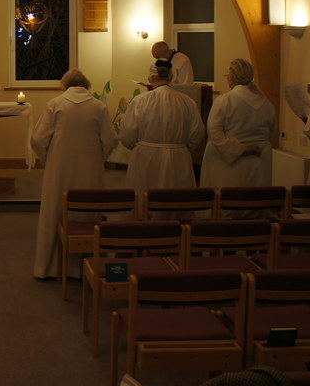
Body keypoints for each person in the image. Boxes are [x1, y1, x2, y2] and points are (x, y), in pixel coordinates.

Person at [30, 68, 117, 278]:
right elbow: (111, 140)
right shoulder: (99, 106)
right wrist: (99, 158)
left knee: (56, 210)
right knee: (89, 210)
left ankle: (49, 268)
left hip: (59, 167)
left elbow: (37, 140)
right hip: (90, 166)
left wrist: (47, 158)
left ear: (65, 85)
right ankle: (86, 266)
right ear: (86, 85)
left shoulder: (55, 104)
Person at [120, 60, 205, 210]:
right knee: (175, 201)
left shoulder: (140, 101)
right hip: (178, 157)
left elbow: (127, 134)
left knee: (146, 199)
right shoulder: (187, 101)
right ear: (171, 77)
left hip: (146, 157)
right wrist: (181, 148)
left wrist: (138, 146)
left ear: (151, 79)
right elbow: (197, 133)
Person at [200, 59, 277, 198]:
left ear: (232, 77)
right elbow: (271, 132)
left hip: (229, 163)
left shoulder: (224, 101)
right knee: (255, 201)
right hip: (259, 158)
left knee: (230, 202)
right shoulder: (266, 102)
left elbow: (214, 132)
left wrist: (240, 149)